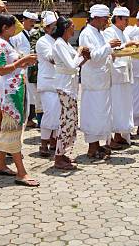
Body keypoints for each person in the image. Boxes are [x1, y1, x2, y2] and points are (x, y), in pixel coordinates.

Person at [0, 14, 39, 186]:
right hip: (11, 92)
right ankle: (21, 172)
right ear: (5, 28)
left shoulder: (6, 43)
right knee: (13, 128)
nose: (15, 28)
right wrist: (23, 61)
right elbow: (2, 69)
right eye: (13, 26)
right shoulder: (1, 45)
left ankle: (1, 163)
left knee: (9, 127)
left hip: (15, 87)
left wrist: (23, 62)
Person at [79, 4, 120, 159]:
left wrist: (112, 53)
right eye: (105, 19)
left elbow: (103, 53)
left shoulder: (99, 33)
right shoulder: (86, 34)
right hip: (93, 82)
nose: (106, 22)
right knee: (93, 114)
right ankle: (92, 147)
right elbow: (93, 56)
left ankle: (98, 145)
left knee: (102, 114)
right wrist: (108, 47)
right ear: (96, 18)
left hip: (103, 81)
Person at [52, 16, 89, 169]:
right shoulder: (59, 44)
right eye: (73, 26)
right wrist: (80, 53)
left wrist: (84, 57)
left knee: (72, 121)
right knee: (66, 121)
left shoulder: (65, 44)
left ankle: (64, 152)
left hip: (70, 86)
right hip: (64, 86)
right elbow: (72, 66)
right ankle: (58, 157)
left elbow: (76, 64)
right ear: (66, 27)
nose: (75, 29)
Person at [102, 6, 136, 147]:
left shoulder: (124, 33)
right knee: (114, 105)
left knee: (124, 106)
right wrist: (127, 45)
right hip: (115, 74)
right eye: (125, 19)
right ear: (117, 19)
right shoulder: (109, 32)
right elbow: (112, 52)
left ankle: (119, 134)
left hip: (125, 73)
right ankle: (110, 139)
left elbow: (126, 49)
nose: (127, 22)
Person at [10, 10, 39, 128]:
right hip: (21, 67)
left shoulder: (35, 33)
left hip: (34, 67)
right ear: (24, 20)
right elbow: (13, 50)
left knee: (34, 93)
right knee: (25, 93)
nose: (32, 24)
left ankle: (31, 116)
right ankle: (26, 117)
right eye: (30, 21)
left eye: (34, 21)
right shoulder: (16, 36)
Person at [35, 12, 59, 157]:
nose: (56, 29)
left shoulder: (58, 40)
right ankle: (43, 143)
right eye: (54, 26)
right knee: (50, 113)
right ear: (47, 28)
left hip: (58, 82)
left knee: (58, 113)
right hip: (47, 82)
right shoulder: (42, 41)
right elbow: (52, 58)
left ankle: (54, 141)